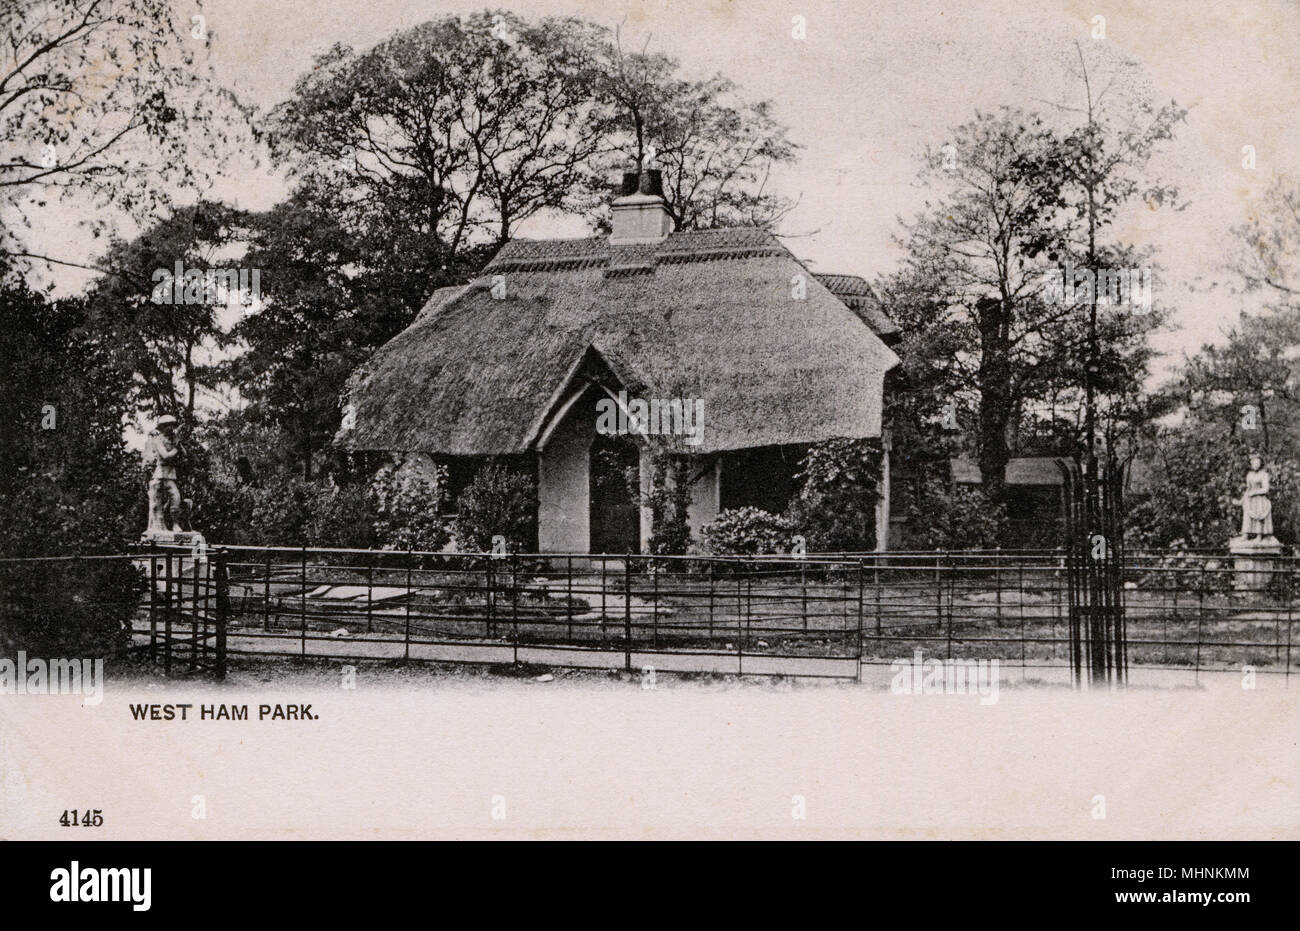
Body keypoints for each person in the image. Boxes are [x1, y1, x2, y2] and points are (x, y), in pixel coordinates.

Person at [144, 415, 184, 533]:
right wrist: (176, 449)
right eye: (168, 425)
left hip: (171, 474)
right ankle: (158, 526)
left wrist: (179, 444)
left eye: (172, 425)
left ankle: (175, 524)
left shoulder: (174, 440)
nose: (170, 428)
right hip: (160, 474)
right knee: (156, 502)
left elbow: (185, 454)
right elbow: (165, 455)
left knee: (176, 498)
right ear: (162, 427)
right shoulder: (157, 440)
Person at [1240, 454, 1273, 539]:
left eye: (1257, 463)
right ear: (1251, 464)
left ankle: (1259, 535)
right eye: (1253, 463)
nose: (1255, 465)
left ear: (1261, 463)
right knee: (1247, 514)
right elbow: (1248, 488)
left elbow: (1266, 489)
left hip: (1260, 499)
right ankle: (1245, 534)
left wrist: (1254, 492)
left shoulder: (1264, 474)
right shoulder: (1249, 475)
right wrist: (1242, 499)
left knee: (1259, 514)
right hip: (1250, 499)